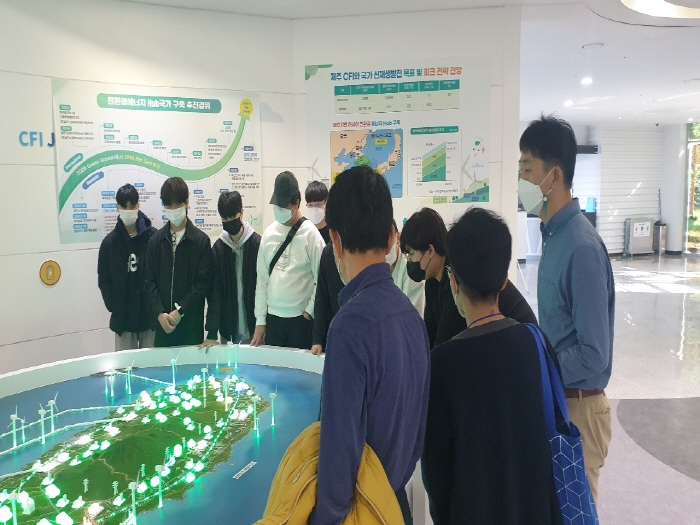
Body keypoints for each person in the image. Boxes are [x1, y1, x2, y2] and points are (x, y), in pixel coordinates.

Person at [422, 207, 562, 525]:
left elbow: (437, 475)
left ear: (453, 282)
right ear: (504, 280)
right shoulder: (537, 344)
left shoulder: (443, 366)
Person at [309, 165, 430, 525]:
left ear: (335, 240)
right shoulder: (411, 317)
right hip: (395, 504)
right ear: (392, 239)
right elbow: (418, 431)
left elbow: (339, 454)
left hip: (361, 512)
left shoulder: (348, 328)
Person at [519, 115, 614, 503]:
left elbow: (594, 353)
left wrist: (541, 364)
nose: (521, 179)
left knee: (577, 513)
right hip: (562, 401)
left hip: (581, 409)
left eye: (527, 168)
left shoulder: (581, 247)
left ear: (553, 175)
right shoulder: (554, 235)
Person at [401, 207, 537, 349]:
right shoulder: (433, 280)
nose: (409, 261)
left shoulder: (457, 278)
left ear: (430, 250)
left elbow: (444, 342)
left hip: (521, 340)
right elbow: (430, 334)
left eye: (411, 254)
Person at [310, 219, 424, 356]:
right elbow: (322, 296)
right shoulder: (356, 267)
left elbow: (411, 325)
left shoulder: (409, 273)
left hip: (398, 347)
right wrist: (318, 337)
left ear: (395, 237)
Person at [251, 171, 324, 349]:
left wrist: (309, 311)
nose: (279, 210)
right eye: (277, 206)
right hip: (273, 319)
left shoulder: (311, 235)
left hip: (301, 321)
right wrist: (260, 320)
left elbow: (321, 280)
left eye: (283, 207)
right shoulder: (269, 234)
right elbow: (262, 280)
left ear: (296, 203)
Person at [143, 177, 213, 348]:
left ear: (187, 202)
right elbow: (149, 282)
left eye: (178, 204)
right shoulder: (155, 241)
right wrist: (159, 313)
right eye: (169, 205)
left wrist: (181, 311)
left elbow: (202, 284)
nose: (173, 210)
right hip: (163, 328)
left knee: (192, 366)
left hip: (191, 328)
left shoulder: (201, 242)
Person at [97, 183, 157, 350]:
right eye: (124, 206)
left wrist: (156, 307)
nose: (128, 210)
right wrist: (114, 305)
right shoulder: (109, 243)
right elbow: (104, 279)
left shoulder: (153, 238)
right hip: (123, 319)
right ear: (118, 207)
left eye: (132, 206)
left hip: (149, 317)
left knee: (151, 363)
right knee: (124, 364)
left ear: (138, 206)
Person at [200, 191, 260, 349]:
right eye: (224, 219)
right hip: (228, 330)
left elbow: (264, 288)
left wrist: (263, 323)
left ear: (241, 213)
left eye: (232, 217)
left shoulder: (257, 244)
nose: (228, 222)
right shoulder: (219, 249)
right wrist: (212, 333)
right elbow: (215, 293)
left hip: (255, 328)